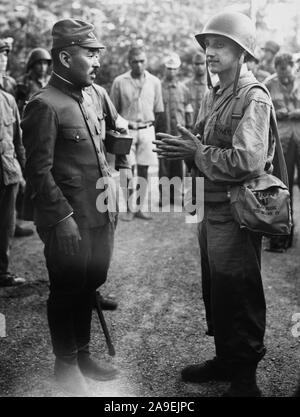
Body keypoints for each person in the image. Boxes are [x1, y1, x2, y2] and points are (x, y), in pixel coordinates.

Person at [154, 11, 276, 397]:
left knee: (239, 291)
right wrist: (188, 150)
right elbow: (205, 146)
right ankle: (226, 358)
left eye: (220, 44)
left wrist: (197, 151)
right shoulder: (214, 93)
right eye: (207, 44)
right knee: (217, 289)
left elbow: (248, 161)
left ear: (242, 53)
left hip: (237, 212)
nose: (210, 51)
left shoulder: (253, 97)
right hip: (210, 208)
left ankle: (245, 379)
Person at [21, 18, 132, 396]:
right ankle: (65, 364)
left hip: (100, 214)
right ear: (66, 57)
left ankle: (83, 353)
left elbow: (111, 140)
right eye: (90, 53)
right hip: (68, 221)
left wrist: (122, 155)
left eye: (98, 53)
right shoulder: (43, 105)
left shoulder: (95, 95)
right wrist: (62, 217)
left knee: (90, 285)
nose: (98, 61)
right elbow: (37, 172)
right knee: (66, 289)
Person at [110, 43, 164, 221]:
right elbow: (113, 111)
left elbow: (158, 109)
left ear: (146, 61)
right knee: (127, 170)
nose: (139, 65)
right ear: (129, 62)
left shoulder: (155, 82)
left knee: (144, 170)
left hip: (147, 129)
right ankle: (129, 208)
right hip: (127, 131)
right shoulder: (119, 82)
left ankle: (139, 207)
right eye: (135, 62)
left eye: (142, 61)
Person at [264, 53, 300, 252]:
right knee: (281, 189)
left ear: (293, 68)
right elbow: (260, 108)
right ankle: (280, 238)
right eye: (280, 73)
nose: (284, 78)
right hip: (281, 143)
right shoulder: (268, 84)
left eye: (287, 73)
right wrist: (274, 114)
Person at [158, 53, 193, 206]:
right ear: (164, 69)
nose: (171, 72)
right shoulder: (157, 86)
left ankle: (176, 195)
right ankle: (164, 197)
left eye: (174, 69)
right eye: (168, 68)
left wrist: (189, 129)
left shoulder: (184, 89)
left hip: (178, 133)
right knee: (163, 166)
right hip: (163, 131)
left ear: (178, 70)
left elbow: (187, 110)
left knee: (178, 165)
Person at [0, 89, 26, 287]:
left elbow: (19, 141)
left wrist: (26, 172)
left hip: (8, 171)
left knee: (6, 225)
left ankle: (2, 272)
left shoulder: (8, 100)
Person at [16, 48, 52, 116]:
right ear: (32, 64)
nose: (42, 67)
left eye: (45, 63)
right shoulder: (24, 82)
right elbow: (17, 108)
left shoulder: (51, 81)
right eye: (39, 63)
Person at [184, 51, 208, 124]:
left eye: (202, 64)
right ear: (192, 65)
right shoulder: (185, 86)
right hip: (190, 127)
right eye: (197, 64)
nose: (199, 67)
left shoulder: (213, 85)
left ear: (207, 64)